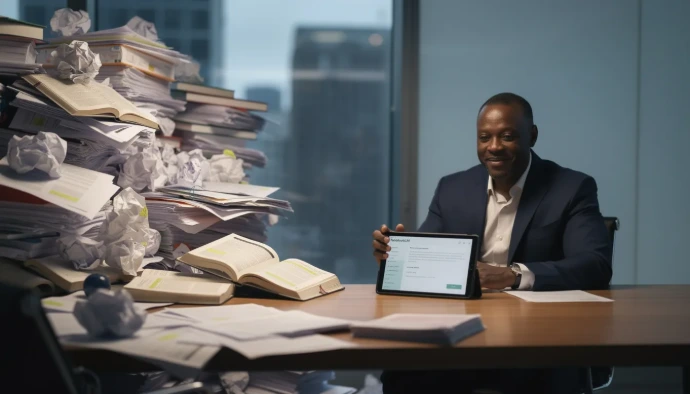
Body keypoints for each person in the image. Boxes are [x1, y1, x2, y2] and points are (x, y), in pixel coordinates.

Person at [371, 92, 613, 393]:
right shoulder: (453, 188)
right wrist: (396, 257)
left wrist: (514, 275)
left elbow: (594, 265)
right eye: (484, 137)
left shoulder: (572, 188)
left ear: (532, 136)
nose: (494, 147)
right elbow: (429, 261)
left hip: (538, 337)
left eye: (507, 136)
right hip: (464, 330)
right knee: (403, 372)